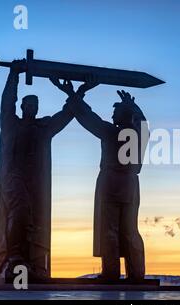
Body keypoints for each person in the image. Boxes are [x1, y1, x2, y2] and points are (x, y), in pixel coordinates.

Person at [53, 75, 149, 282]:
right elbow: (143, 125)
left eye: (115, 112)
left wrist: (72, 94)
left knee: (110, 229)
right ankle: (137, 273)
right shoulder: (137, 134)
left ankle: (111, 272)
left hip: (111, 183)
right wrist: (135, 108)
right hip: (131, 186)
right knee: (130, 229)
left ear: (123, 116)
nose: (112, 114)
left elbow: (88, 117)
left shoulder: (110, 132)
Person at [0, 60, 74, 280]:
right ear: (22, 107)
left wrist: (75, 92)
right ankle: (14, 257)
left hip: (33, 183)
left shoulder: (43, 128)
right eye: (28, 105)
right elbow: (7, 101)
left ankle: (29, 262)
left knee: (33, 219)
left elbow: (67, 114)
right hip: (12, 179)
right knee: (19, 210)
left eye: (35, 106)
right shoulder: (10, 123)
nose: (32, 109)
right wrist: (14, 74)